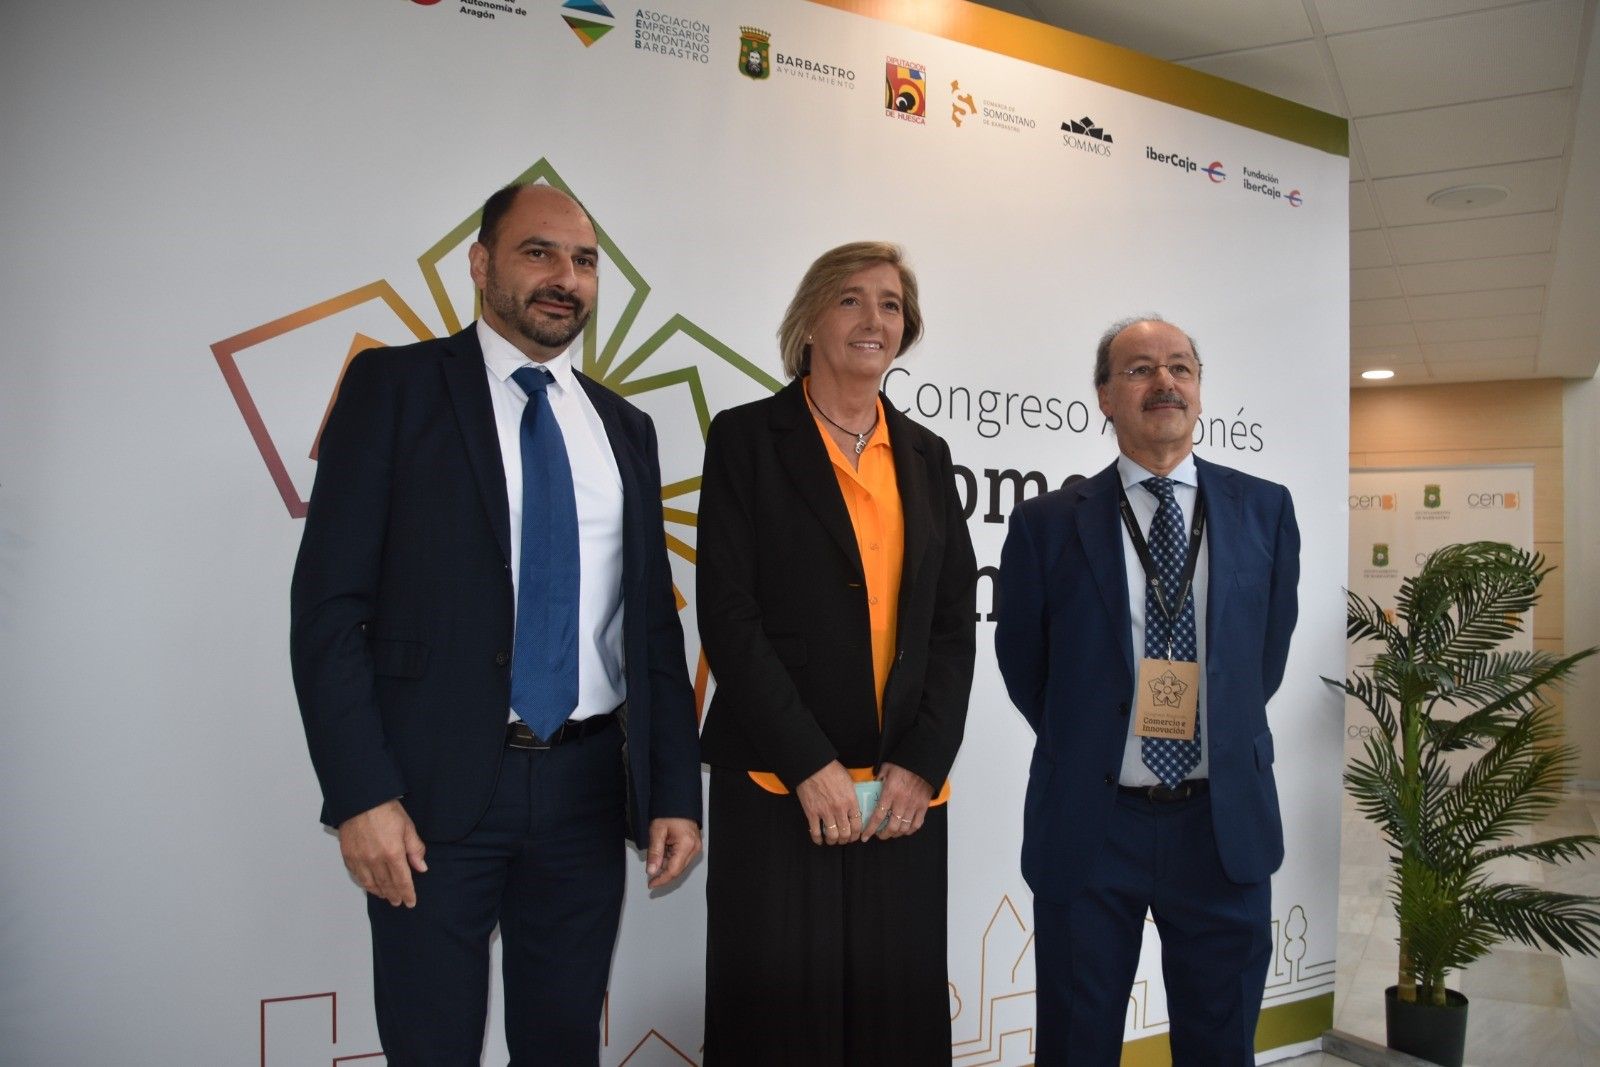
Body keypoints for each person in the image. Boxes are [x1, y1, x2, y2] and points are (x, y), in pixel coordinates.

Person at [289, 182, 702, 1065]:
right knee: (431, 1046)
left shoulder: (624, 428)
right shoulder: (393, 387)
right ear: (481, 265)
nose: (566, 278)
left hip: (588, 793)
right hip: (429, 797)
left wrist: (672, 791)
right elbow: (327, 610)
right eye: (539, 252)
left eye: (585, 262)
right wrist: (362, 792)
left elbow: (654, 636)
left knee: (562, 1047)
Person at [695, 242, 977, 1065]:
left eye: (890, 305)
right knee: (779, 1026)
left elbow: (954, 623)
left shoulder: (928, 455)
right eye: (852, 300)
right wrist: (808, 761)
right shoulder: (747, 439)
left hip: (902, 800)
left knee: (896, 1022)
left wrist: (922, 762)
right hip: (781, 790)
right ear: (811, 320)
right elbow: (730, 615)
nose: (874, 320)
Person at [994, 317, 1300, 1065]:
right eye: (1139, 369)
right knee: (1076, 1042)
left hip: (1221, 823)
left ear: (1198, 388)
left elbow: (1265, 656)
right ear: (1103, 395)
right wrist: (1099, 739)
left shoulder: (1265, 509)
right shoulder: (1045, 524)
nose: (1165, 382)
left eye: (1181, 367)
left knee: (1221, 1043)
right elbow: (1022, 662)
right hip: (1093, 826)